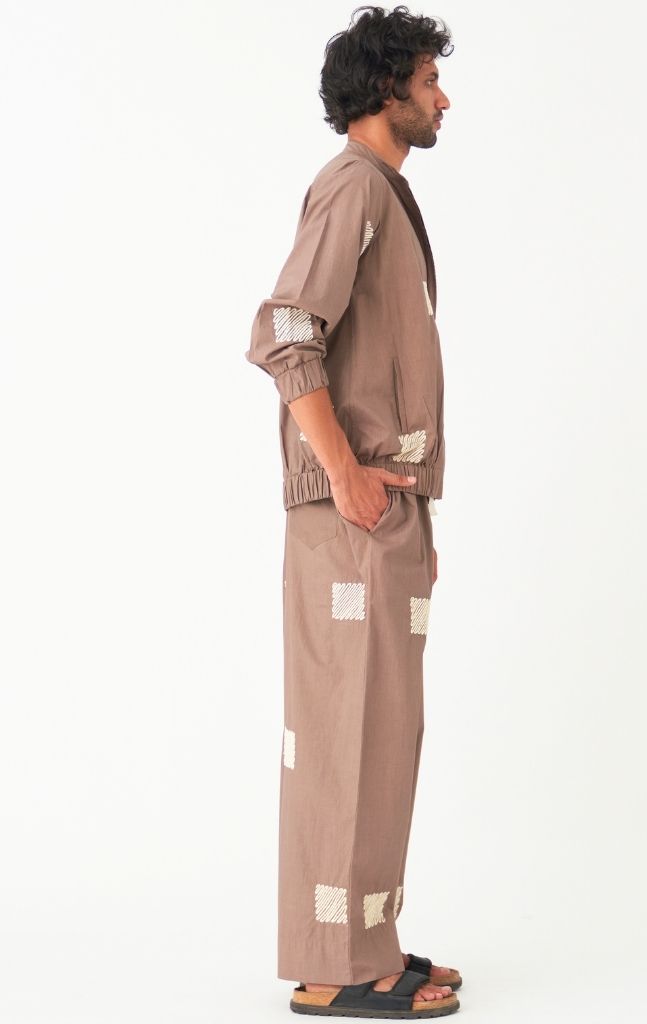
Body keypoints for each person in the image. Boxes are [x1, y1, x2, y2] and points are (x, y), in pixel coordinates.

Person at [246, 5, 459, 1017]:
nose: (443, 99)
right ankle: (335, 968)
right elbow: (286, 331)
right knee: (347, 730)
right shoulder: (353, 187)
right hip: (356, 514)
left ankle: (367, 938)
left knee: (381, 731)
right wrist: (346, 472)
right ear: (385, 91)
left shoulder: (379, 191)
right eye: (428, 81)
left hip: (385, 509)